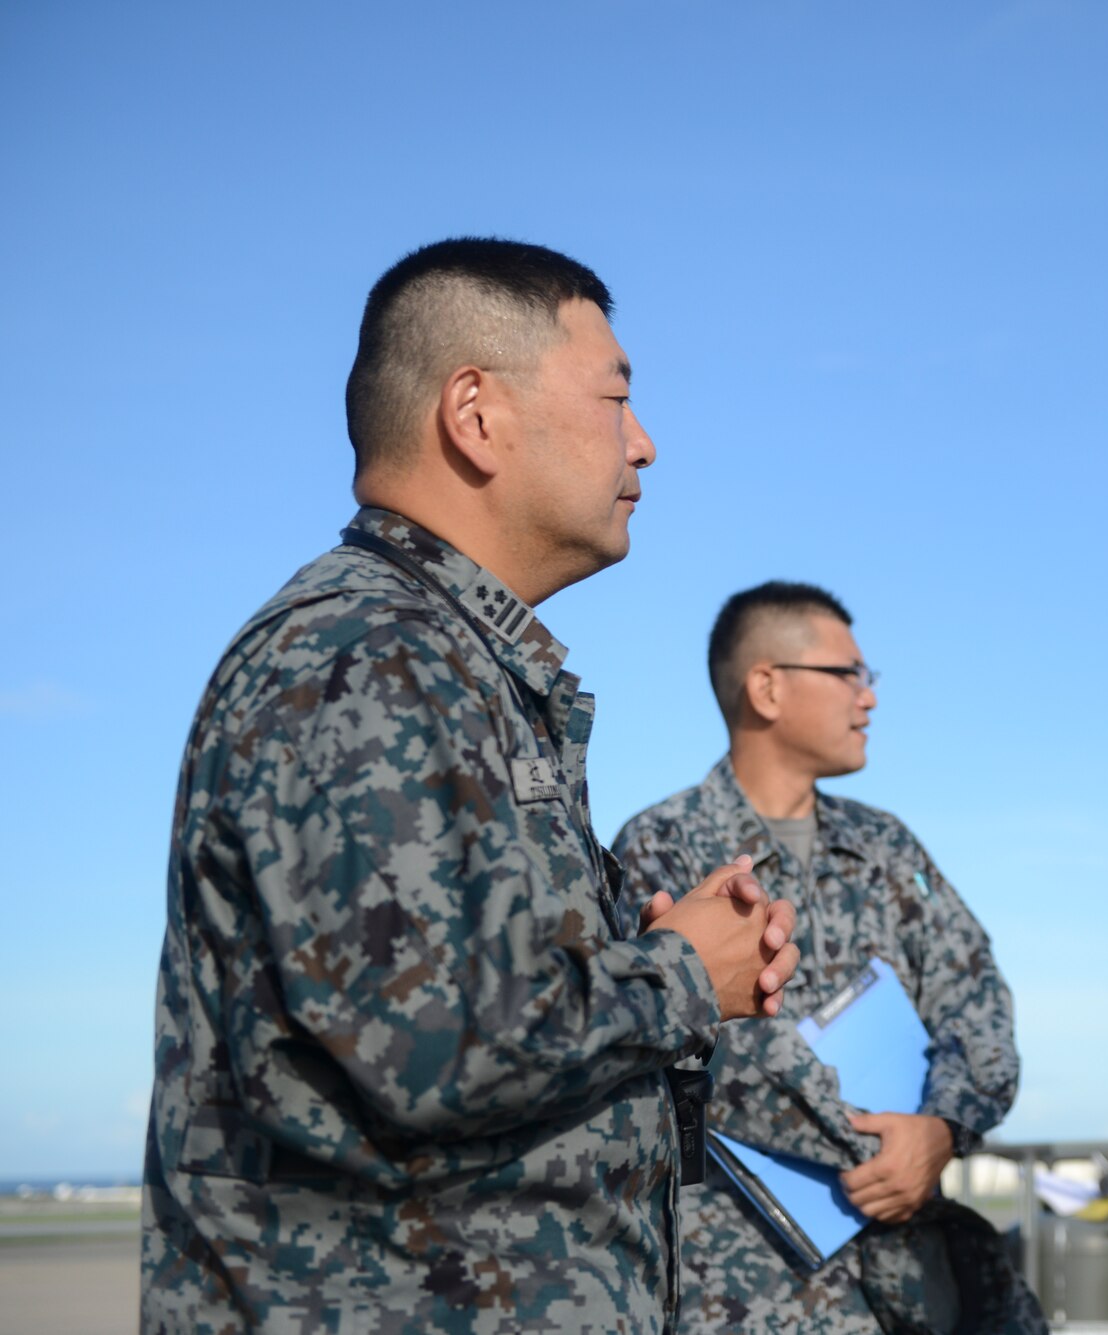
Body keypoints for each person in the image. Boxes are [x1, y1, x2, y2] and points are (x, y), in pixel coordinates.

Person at [142, 238, 802, 1334]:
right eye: (615, 396)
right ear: (476, 414)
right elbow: (432, 1048)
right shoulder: (366, 656)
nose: (643, 441)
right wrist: (682, 973)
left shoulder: (446, 663)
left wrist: (645, 963)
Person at [613, 581, 1043, 1335]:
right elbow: (708, 1048)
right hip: (749, 1287)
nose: (868, 698)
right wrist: (888, 1144)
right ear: (768, 686)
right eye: (850, 674)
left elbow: (975, 1000)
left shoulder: (887, 846)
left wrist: (941, 1127)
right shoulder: (662, 845)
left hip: (914, 1277)